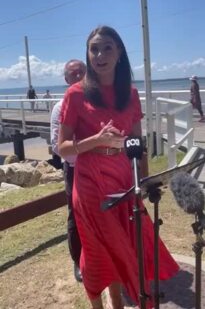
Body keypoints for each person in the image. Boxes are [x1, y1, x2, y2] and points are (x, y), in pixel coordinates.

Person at [58, 26, 179, 309]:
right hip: (90, 183)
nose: (100, 55)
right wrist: (95, 140)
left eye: (107, 48)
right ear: (88, 54)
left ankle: (119, 303)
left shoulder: (131, 94)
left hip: (124, 180)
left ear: (120, 52)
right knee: (99, 250)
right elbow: (62, 148)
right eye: (94, 49)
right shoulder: (76, 94)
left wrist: (146, 179)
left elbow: (138, 142)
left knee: (127, 247)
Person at [50, 59, 86, 282]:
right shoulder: (59, 107)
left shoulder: (96, 101)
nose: (79, 76)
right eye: (74, 73)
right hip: (74, 169)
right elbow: (57, 147)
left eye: (83, 71)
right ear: (66, 79)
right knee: (75, 215)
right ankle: (78, 260)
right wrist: (89, 148)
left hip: (99, 168)